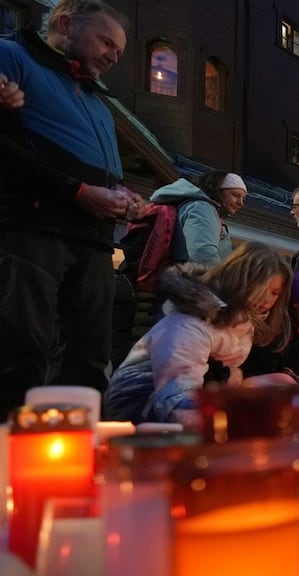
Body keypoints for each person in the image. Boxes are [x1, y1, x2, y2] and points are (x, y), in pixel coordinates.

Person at [0, 1, 141, 411]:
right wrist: (78, 191)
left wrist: (121, 194)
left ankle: (78, 457)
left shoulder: (95, 95)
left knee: (89, 357)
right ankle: (13, 460)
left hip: (93, 239)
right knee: (22, 349)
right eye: (106, 41)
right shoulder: (13, 56)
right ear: (65, 23)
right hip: (33, 228)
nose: (115, 55)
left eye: (120, 49)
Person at [103, 242, 292, 423]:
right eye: (262, 289)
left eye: (275, 292)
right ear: (240, 280)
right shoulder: (190, 323)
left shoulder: (242, 323)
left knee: (281, 384)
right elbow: (175, 400)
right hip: (139, 407)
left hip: (189, 402)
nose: (267, 299)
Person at [148, 171, 247, 266]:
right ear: (217, 191)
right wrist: (221, 280)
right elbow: (202, 255)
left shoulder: (199, 208)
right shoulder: (202, 208)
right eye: (235, 195)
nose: (240, 202)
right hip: (193, 281)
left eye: (243, 198)